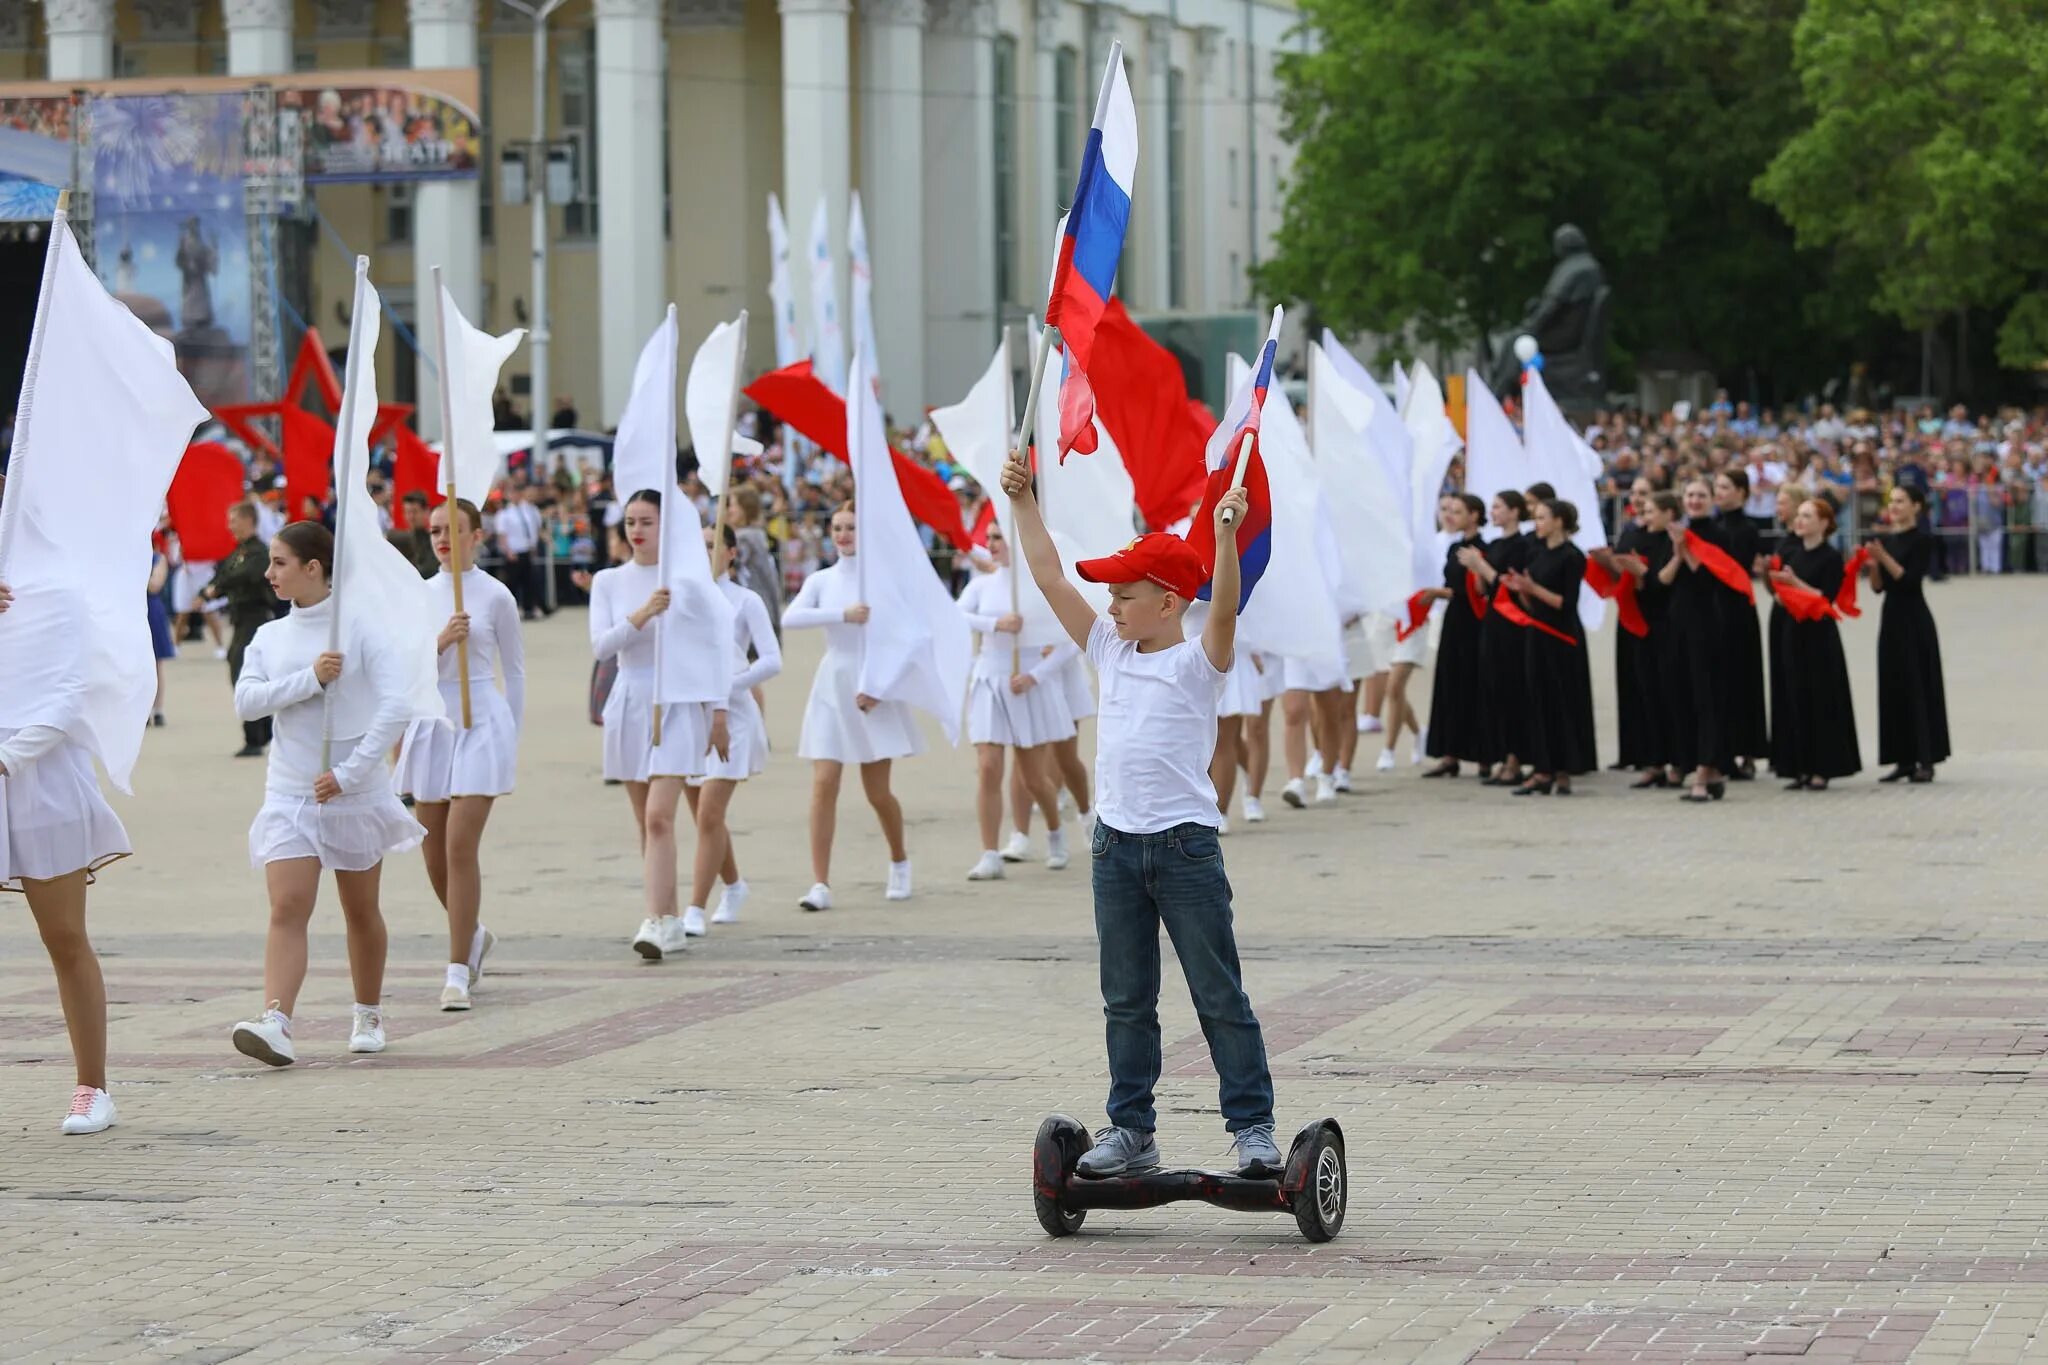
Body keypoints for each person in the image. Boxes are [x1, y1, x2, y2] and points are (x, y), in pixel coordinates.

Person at [1001, 447, 1281, 1178]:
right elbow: (1049, 575)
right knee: (1127, 999)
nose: (1110, 605)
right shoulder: (1108, 649)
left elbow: (1222, 607)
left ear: (1167, 601)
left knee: (1218, 993)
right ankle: (1132, 1129)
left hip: (1186, 849)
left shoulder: (1198, 663)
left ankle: (1252, 1126)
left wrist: (1223, 538)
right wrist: (1026, 502)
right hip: (1115, 848)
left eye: (1124, 594)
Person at [228, 522, 427, 1066]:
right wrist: (309, 680)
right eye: (270, 562)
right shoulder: (270, 637)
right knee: (288, 905)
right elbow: (246, 703)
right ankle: (277, 1020)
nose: (268, 573)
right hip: (290, 791)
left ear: (313, 568)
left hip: (352, 791)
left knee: (360, 909)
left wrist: (351, 771)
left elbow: (396, 704)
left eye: (279, 563)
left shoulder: (361, 627)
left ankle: (367, 1010)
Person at [0, 581, 130, 1133]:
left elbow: (75, 693)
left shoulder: (60, 594)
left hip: (41, 783)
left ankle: (92, 1088)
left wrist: (7, 757)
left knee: (65, 938)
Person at [587, 490, 731, 959]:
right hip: (630, 700)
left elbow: (716, 647)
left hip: (676, 700)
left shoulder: (689, 581)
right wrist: (644, 613)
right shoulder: (609, 581)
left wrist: (718, 712)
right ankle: (666, 916)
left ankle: (653, 919)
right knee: (645, 822)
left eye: (646, 520)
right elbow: (602, 646)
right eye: (630, 521)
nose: (636, 530)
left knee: (659, 816)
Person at [391, 499, 523, 1009]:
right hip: (432, 722)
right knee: (434, 855)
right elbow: (402, 670)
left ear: (477, 535)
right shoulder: (419, 597)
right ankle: (473, 934)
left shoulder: (496, 597)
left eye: (453, 530)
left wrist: (515, 731)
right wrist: (442, 641)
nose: (442, 539)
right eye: (435, 530)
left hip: (483, 721)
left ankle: (456, 971)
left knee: (460, 846)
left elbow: (515, 671)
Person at [780, 502, 917, 911]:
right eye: (837, 528)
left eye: (850, 528)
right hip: (833, 683)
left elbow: (909, 640)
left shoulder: (883, 580)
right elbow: (791, 618)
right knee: (824, 784)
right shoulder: (822, 579)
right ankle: (820, 882)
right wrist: (842, 614)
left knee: (877, 791)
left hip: (872, 684)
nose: (842, 535)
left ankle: (899, 861)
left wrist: (880, 686)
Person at [680, 523, 781, 935]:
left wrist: (729, 683)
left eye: (711, 546)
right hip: (690, 715)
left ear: (731, 553)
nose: (703, 553)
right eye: (697, 545)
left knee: (709, 813)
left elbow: (772, 660)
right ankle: (735, 885)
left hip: (733, 716)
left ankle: (694, 908)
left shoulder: (745, 601)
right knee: (705, 817)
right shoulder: (684, 598)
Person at [958, 525, 1075, 880]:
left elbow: (1069, 639)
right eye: (989, 538)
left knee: (1033, 777)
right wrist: (994, 624)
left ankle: (1055, 832)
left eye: (999, 538)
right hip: (988, 680)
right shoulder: (981, 586)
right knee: (989, 767)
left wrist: (1035, 675)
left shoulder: (1036, 589)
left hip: (1024, 683)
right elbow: (953, 615)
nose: (992, 545)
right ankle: (989, 853)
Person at [1501, 498, 1596, 794]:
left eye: (1542, 517)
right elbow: (1533, 602)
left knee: (1562, 701)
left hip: (1562, 636)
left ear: (1559, 521)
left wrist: (1533, 589)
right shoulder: (1536, 553)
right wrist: (1522, 590)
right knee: (1537, 700)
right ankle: (1543, 769)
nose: (1537, 523)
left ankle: (1563, 769)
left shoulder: (1572, 557)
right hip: (1537, 634)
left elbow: (1565, 603)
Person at [1765, 498, 1861, 790]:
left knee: (1821, 698)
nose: (1800, 520)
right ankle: (1799, 766)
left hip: (1819, 635)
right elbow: (1780, 592)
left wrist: (1795, 584)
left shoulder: (1830, 557)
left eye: (1808, 516)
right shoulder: (1792, 552)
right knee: (1796, 695)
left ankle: (1823, 767)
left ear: (1823, 523)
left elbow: (1826, 598)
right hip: (1793, 630)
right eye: (1800, 515)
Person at [1868, 484, 1950, 783]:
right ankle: (1901, 758)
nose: (1895, 506)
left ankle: (1926, 758)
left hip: (1914, 618)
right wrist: (1873, 564)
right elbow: (1879, 587)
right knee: (1894, 684)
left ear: (1916, 506)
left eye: (1901, 501)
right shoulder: (1887, 540)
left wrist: (1884, 557)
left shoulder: (1922, 540)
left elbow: (1910, 580)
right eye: (1892, 501)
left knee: (1918, 683)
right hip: (1891, 617)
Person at [1668, 479, 1736, 803]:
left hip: (1708, 621)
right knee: (1683, 695)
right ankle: (1708, 767)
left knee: (1707, 696)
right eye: (1690, 495)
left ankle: (1704, 769)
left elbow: (1709, 578)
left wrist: (1685, 549)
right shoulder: (1677, 532)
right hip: (1679, 621)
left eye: (1701, 495)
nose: (1694, 501)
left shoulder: (1719, 535)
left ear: (1712, 500)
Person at [1466, 490, 1533, 787]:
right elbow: (1484, 589)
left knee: (1512, 688)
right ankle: (1502, 753)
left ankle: (1515, 758)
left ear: (1515, 512)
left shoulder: (1522, 545)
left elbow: (1509, 585)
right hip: (1492, 622)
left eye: (1498, 507)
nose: (1493, 512)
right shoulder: (1494, 544)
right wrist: (1476, 569)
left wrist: (1482, 567)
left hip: (1513, 625)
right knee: (1494, 689)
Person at [205, 502, 279, 758]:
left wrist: (216, 589)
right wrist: (208, 591)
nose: (230, 525)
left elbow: (244, 575)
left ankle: (256, 736)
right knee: (239, 671)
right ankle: (262, 729)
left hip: (255, 619)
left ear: (249, 521)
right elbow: (223, 574)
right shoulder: (239, 552)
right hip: (240, 621)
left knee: (245, 674)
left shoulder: (259, 552)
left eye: (234, 520)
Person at [1422, 493, 1489, 778]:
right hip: (1455, 621)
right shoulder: (1453, 549)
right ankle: (1450, 753)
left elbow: (1481, 588)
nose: (1454, 516)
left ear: (1474, 515)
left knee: (1477, 684)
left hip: (1476, 622)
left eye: (1460, 511)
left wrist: (1439, 593)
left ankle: (1485, 754)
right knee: (1450, 683)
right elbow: (1451, 581)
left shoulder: (1486, 549)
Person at [1714, 469, 1769, 779]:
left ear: (1741, 492)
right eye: (1717, 487)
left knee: (1743, 679)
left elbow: (1739, 566)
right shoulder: (1713, 526)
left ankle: (1747, 749)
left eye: (1725, 487)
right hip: (1714, 610)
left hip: (1737, 609)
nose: (1719, 492)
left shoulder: (1748, 528)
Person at [495, 486, 546, 620]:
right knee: (512, 582)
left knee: (528, 581)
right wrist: (508, 551)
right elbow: (502, 535)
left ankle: (529, 608)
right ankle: (511, 610)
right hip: (513, 552)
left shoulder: (527, 510)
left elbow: (534, 528)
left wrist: (533, 545)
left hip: (526, 550)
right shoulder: (505, 513)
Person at [147, 547, 175, 727]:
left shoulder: (158, 559)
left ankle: (157, 709)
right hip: (130, 611)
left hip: (151, 610)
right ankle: (141, 710)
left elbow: (154, 585)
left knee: (155, 664)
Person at [387, 490, 438, 578]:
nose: (411, 517)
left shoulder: (435, 540)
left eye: (414, 512)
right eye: (407, 512)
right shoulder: (398, 539)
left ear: (426, 512)